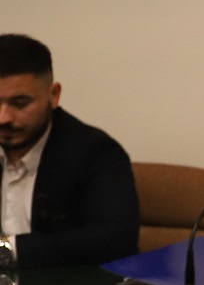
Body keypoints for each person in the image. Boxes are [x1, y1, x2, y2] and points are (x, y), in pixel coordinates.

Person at [0, 34, 138, 270]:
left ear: (53, 95)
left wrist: (8, 250)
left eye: (20, 103)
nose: (4, 118)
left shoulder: (95, 152)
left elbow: (116, 238)